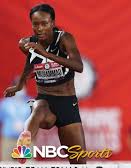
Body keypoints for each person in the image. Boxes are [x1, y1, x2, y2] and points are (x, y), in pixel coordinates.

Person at [3, 4, 86, 164]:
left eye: (44, 23)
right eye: (35, 24)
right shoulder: (28, 44)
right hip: (45, 99)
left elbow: (79, 66)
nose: (39, 28)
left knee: (79, 163)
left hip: (67, 104)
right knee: (38, 109)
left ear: (52, 23)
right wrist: (19, 86)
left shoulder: (64, 39)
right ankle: (24, 143)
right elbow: (30, 65)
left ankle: (27, 135)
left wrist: (45, 54)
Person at [0, 81, 31, 161]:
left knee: (27, 164)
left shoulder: (31, 103)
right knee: (6, 164)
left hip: (25, 141)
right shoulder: (4, 103)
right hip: (9, 140)